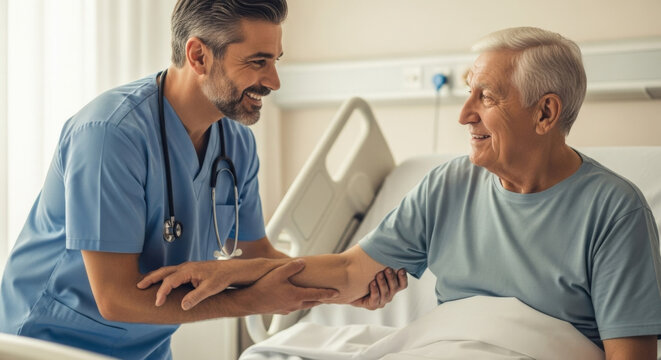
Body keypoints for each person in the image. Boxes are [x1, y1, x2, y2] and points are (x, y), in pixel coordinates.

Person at [140, 27, 661, 359]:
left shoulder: (614, 212)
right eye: (466, 93)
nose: (464, 114)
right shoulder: (450, 184)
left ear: (545, 113)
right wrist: (231, 271)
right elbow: (348, 274)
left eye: (487, 97)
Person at [0, 1, 407, 359]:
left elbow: (254, 254)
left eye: (275, 61)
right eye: (257, 61)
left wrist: (347, 287)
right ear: (198, 56)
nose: (274, 81)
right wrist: (249, 301)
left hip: (146, 348)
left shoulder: (236, 144)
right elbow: (114, 297)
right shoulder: (109, 135)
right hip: (48, 345)